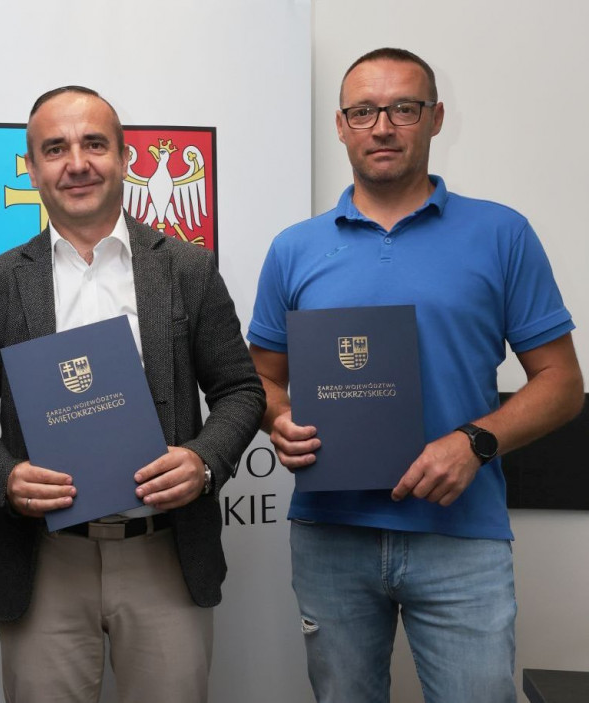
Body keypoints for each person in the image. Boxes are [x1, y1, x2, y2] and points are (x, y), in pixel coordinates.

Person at [247, 48, 584, 703]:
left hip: (461, 533)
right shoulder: (295, 248)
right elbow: (262, 379)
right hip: (331, 531)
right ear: (341, 125)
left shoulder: (502, 233)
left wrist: (475, 442)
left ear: (435, 118)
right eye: (363, 112)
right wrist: (279, 419)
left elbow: (562, 383)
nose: (382, 127)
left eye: (403, 108)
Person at [0, 86, 265, 703]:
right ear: (31, 168)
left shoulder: (188, 268)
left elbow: (240, 391)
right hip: (45, 558)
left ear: (123, 158)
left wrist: (203, 461)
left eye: (94, 144)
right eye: (55, 149)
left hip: (165, 551)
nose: (77, 163)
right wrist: (5, 477)